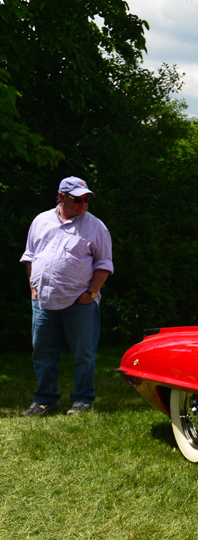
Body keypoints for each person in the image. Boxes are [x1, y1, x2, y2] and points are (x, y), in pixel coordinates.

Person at [20, 176, 114, 416]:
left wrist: (91, 293)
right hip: (43, 301)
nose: (83, 204)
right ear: (61, 197)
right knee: (43, 353)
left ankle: (83, 400)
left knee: (83, 354)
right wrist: (33, 287)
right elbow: (30, 256)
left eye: (87, 199)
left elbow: (104, 264)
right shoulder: (41, 221)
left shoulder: (96, 226)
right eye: (77, 199)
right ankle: (45, 400)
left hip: (79, 303)